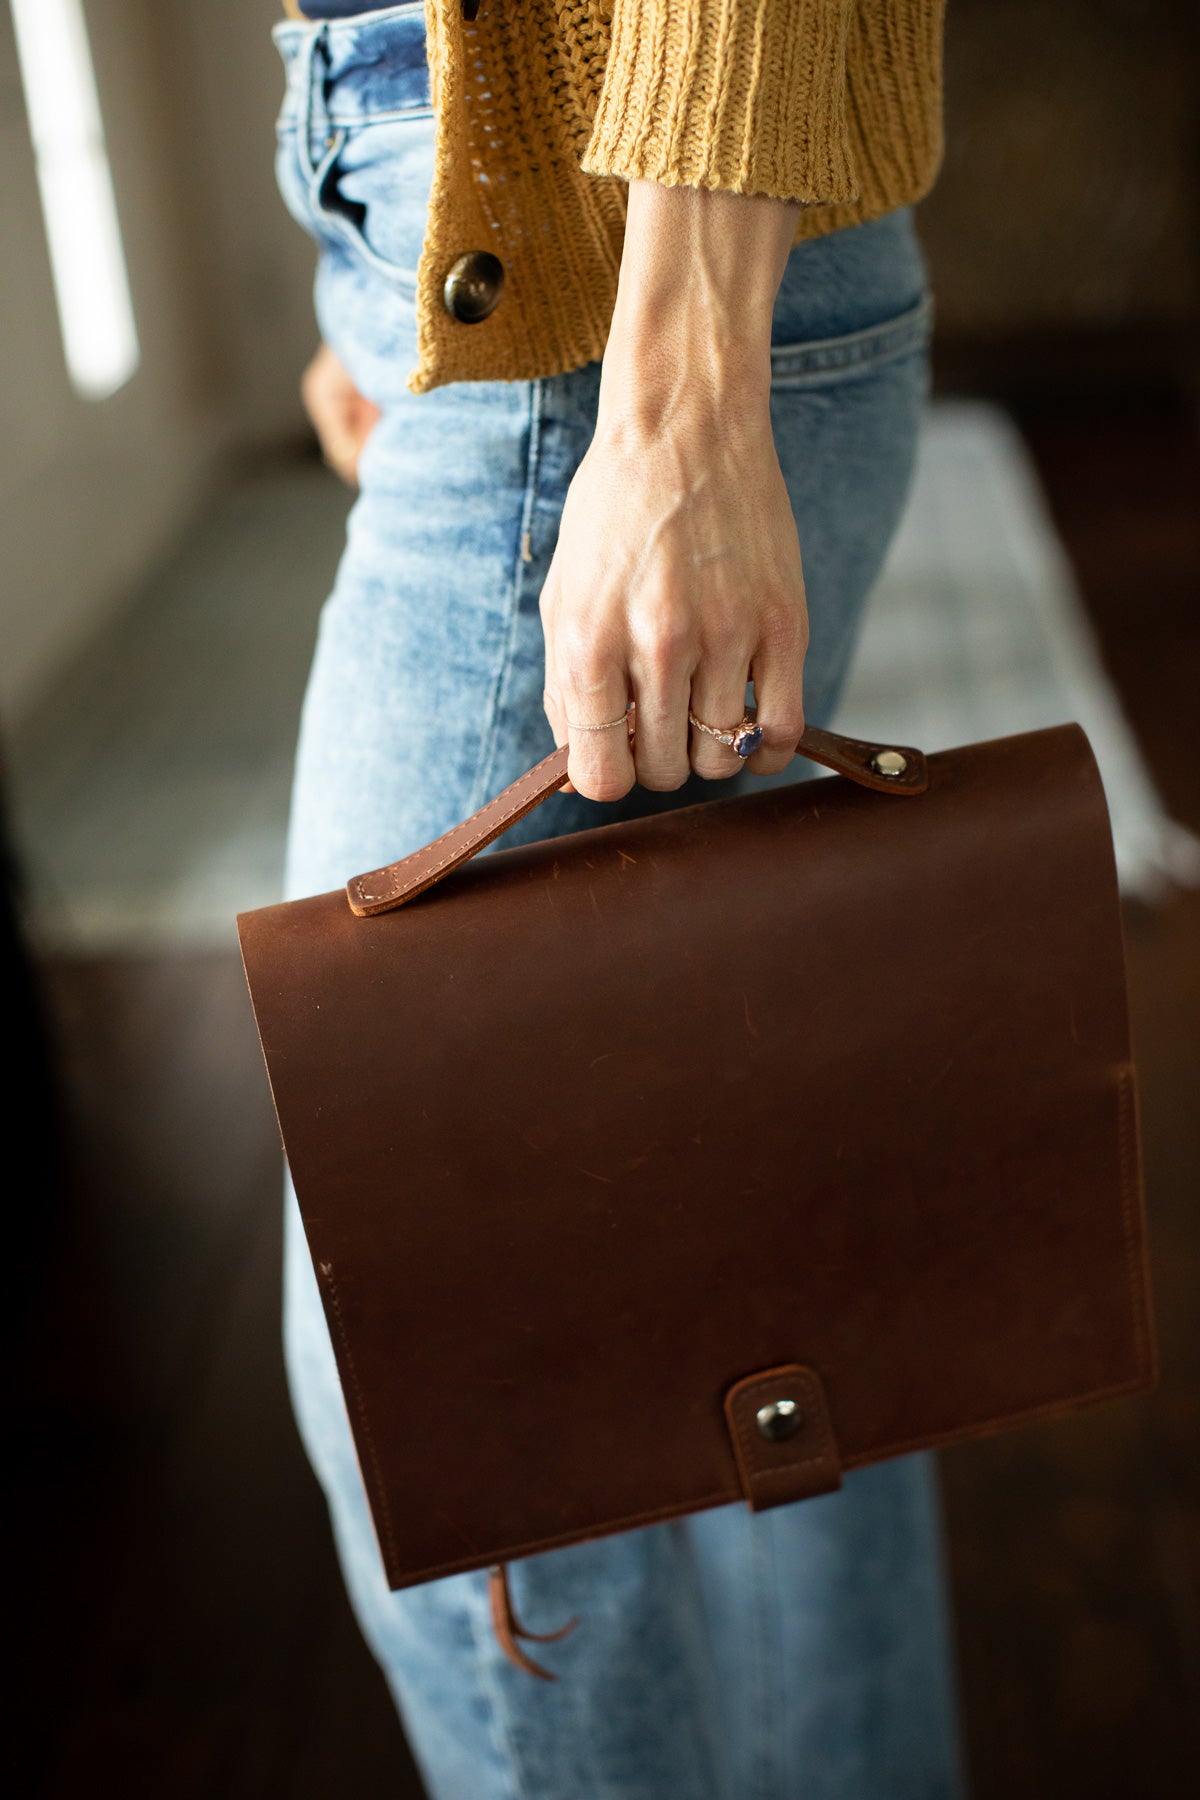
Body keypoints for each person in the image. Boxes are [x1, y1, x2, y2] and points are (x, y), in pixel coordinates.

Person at [275, 3, 965, 1794]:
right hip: (501, 214)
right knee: (746, 1215)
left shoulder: (649, 357)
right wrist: (369, 224)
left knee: (439, 1368)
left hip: (624, 282)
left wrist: (675, 398)